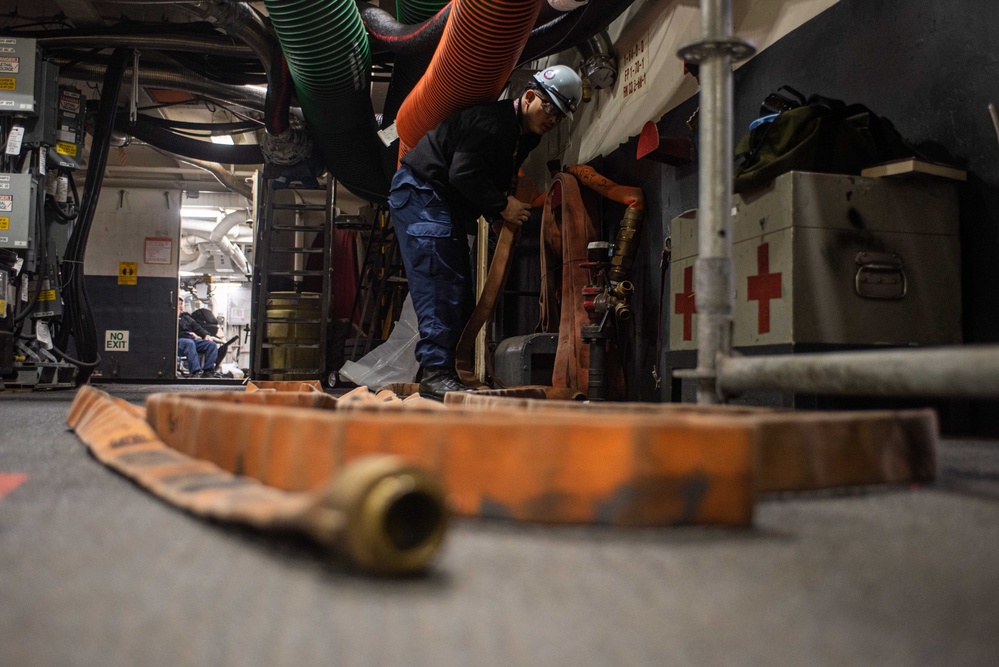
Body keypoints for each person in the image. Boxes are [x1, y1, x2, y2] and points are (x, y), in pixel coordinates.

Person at [389, 64, 583, 401]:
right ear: (529, 96)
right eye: (549, 106)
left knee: (458, 288)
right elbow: (463, 173)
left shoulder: (525, 137)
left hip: (442, 201)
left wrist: (496, 210)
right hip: (422, 193)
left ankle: (443, 372)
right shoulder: (492, 123)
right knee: (441, 283)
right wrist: (501, 205)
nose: (553, 119)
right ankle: (436, 374)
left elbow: (485, 175)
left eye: (560, 115)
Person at [177, 298, 221, 378]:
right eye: (178, 304)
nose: (181, 306)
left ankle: (208, 371)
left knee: (211, 345)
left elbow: (197, 327)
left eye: (181, 304)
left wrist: (206, 335)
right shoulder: (170, 318)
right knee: (189, 343)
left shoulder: (186, 317)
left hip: (191, 340)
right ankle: (195, 372)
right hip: (178, 340)